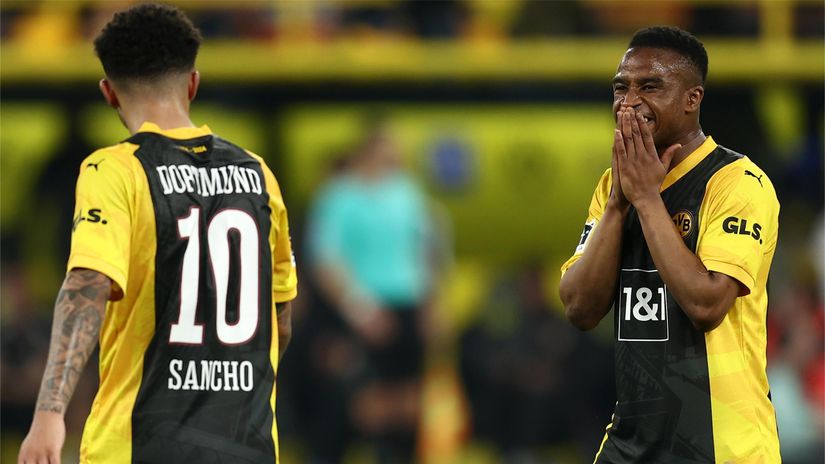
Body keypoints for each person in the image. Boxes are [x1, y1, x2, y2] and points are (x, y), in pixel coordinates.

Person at [18, 4, 297, 463]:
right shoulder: (258, 174)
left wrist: (49, 414)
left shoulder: (114, 170)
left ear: (109, 93)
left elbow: (86, 285)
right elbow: (279, 319)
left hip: (141, 445)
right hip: (246, 444)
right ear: (193, 84)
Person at [558, 26, 780, 462]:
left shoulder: (738, 183)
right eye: (621, 87)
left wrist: (644, 198)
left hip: (722, 445)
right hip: (630, 444)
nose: (629, 100)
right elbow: (579, 308)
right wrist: (620, 205)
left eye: (649, 86)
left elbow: (706, 304)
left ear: (692, 99)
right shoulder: (613, 187)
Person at [305, 116, 439, 462]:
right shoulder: (338, 197)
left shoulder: (408, 194)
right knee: (365, 404)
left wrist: (430, 306)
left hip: (407, 308)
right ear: (369, 150)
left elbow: (426, 250)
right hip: (363, 313)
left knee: (409, 405)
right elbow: (325, 259)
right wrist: (361, 310)